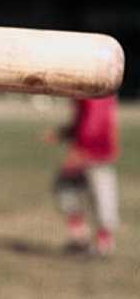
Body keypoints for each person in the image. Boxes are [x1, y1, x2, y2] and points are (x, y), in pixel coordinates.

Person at [43, 95, 119, 256]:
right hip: (86, 149)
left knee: (101, 195)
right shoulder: (83, 91)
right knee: (66, 187)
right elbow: (81, 120)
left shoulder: (97, 87)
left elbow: (97, 120)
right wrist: (63, 133)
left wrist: (83, 152)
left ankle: (103, 242)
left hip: (96, 151)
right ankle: (80, 237)